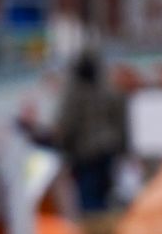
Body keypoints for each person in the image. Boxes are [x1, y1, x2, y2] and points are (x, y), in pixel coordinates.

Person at [54, 51, 127, 214]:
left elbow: (67, 125)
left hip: (86, 153)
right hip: (108, 148)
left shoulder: (74, 94)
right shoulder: (109, 89)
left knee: (89, 199)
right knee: (105, 195)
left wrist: (62, 146)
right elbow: (121, 120)